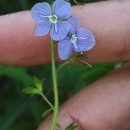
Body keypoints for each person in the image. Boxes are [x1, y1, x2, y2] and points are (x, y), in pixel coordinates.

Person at [0, 0, 130, 129]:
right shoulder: (50, 26)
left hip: (69, 33)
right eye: (52, 17)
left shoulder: (66, 26)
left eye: (54, 17)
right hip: (63, 32)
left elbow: (68, 20)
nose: (53, 18)